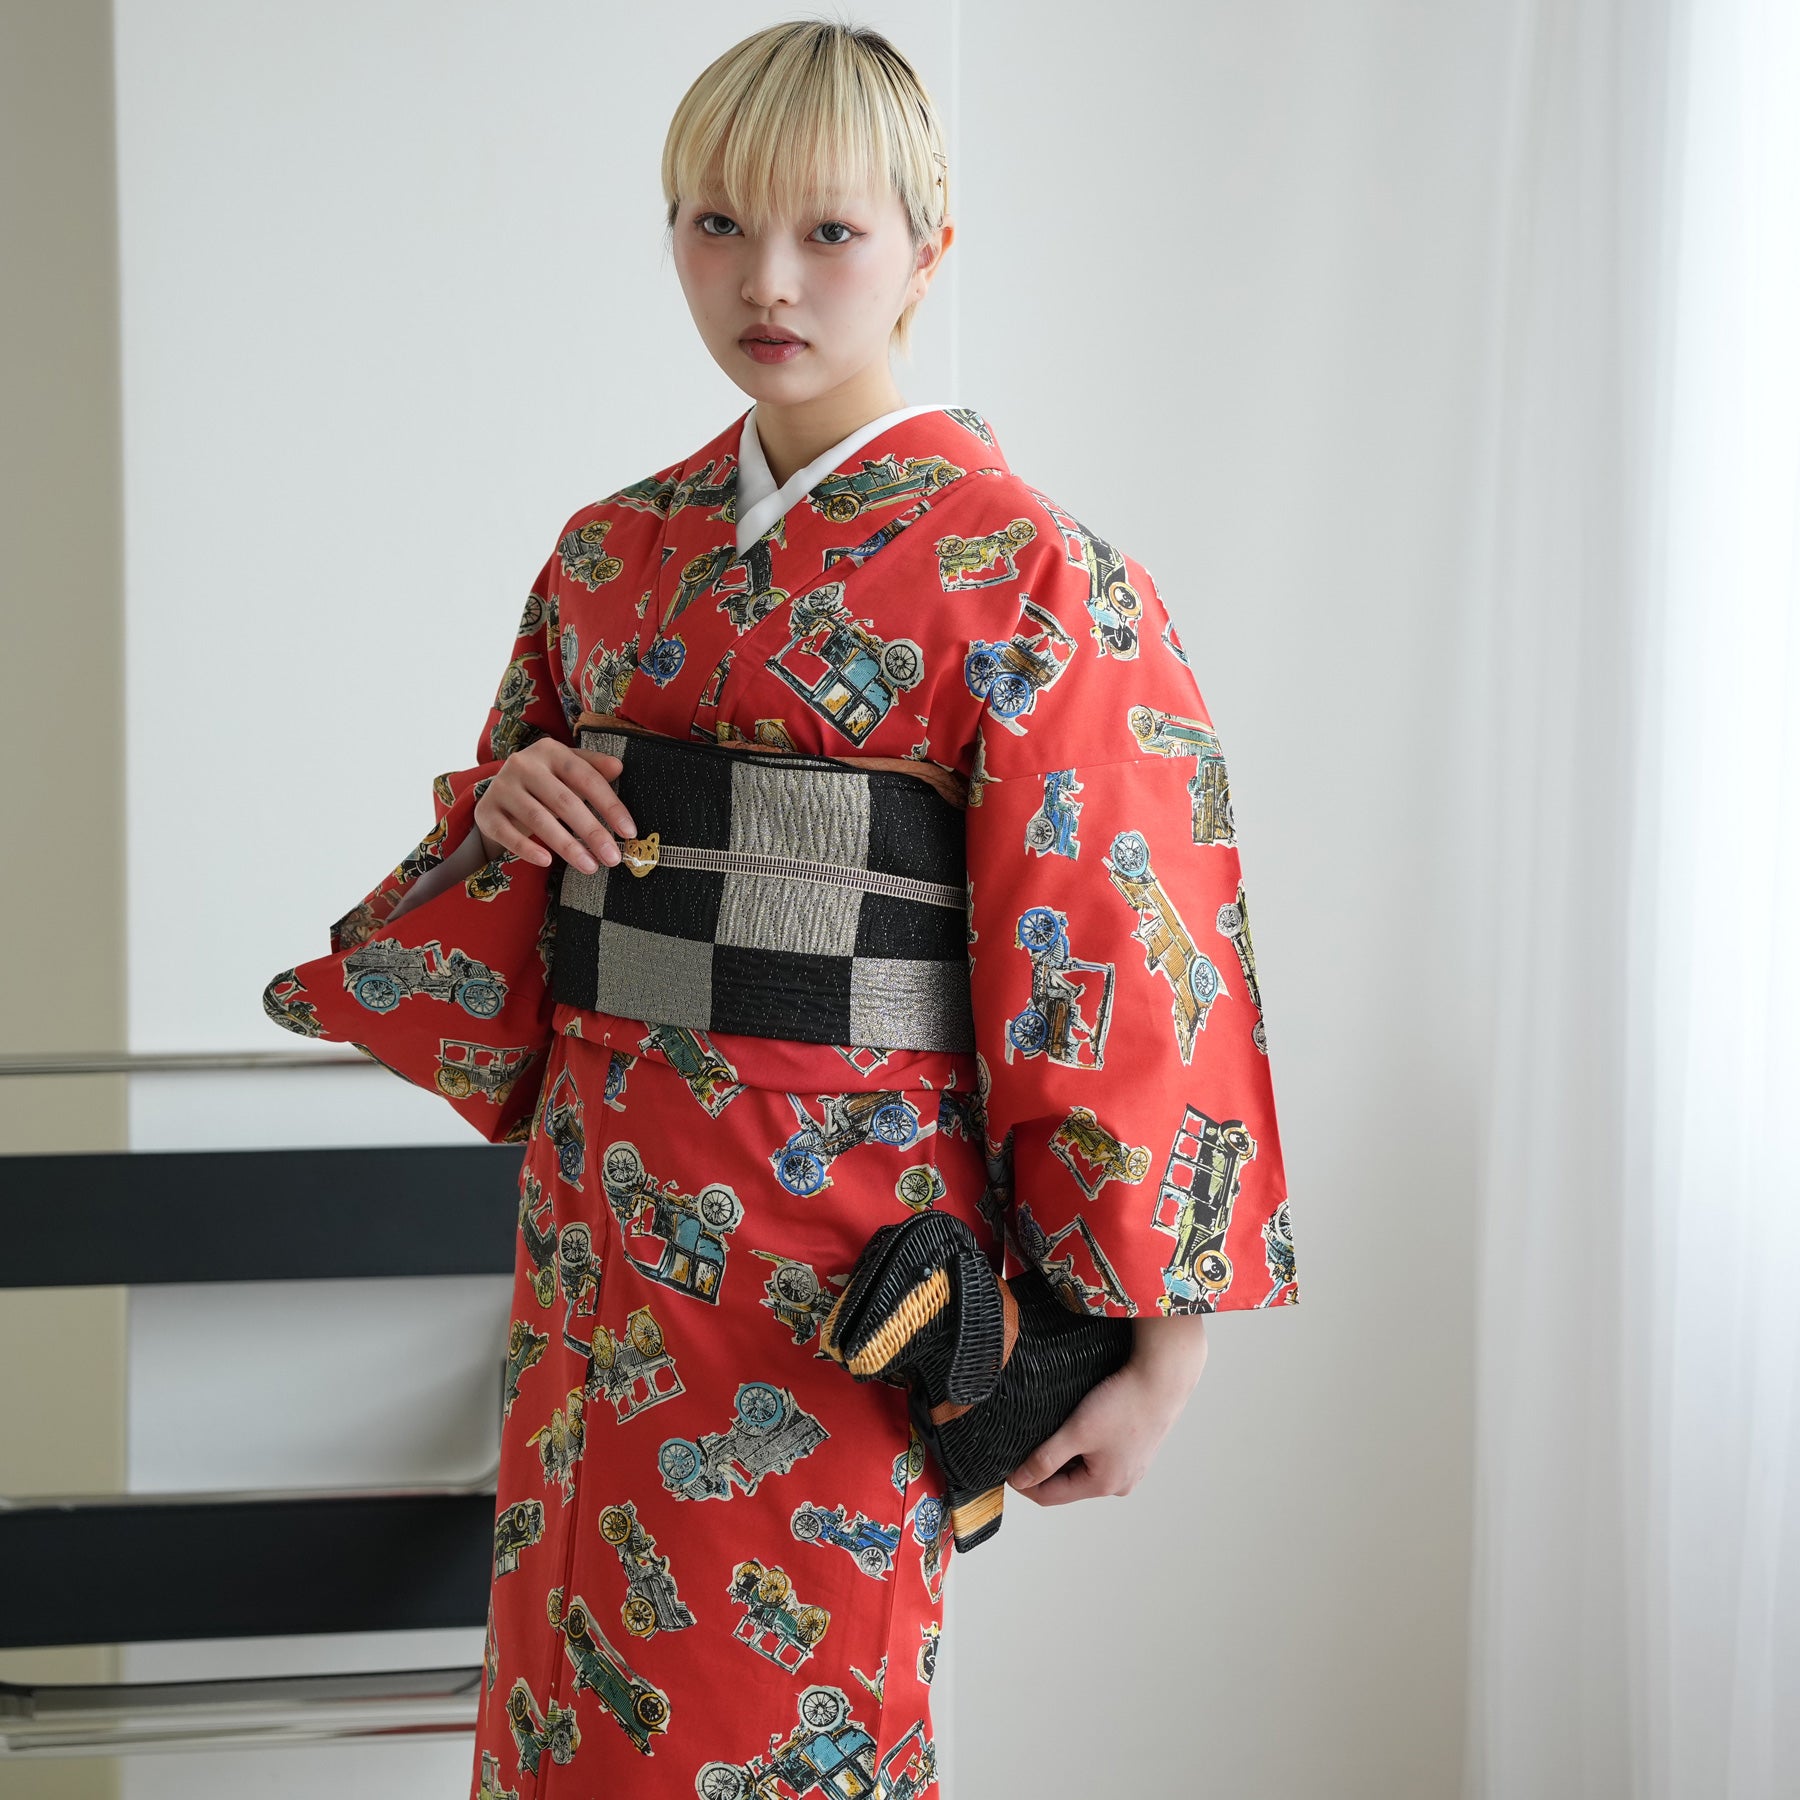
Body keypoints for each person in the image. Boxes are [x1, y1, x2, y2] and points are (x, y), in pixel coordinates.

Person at [263, 18, 1295, 1798]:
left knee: (782, 1724)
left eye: (830, 231)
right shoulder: (610, 554)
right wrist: (509, 808)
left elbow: (1128, 949)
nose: (767, 281)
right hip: (600, 1231)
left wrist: (1165, 1342)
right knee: (564, 1696)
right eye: (717, 224)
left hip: (846, 1269)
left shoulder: (1035, 576)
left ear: (929, 248)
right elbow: (509, 870)